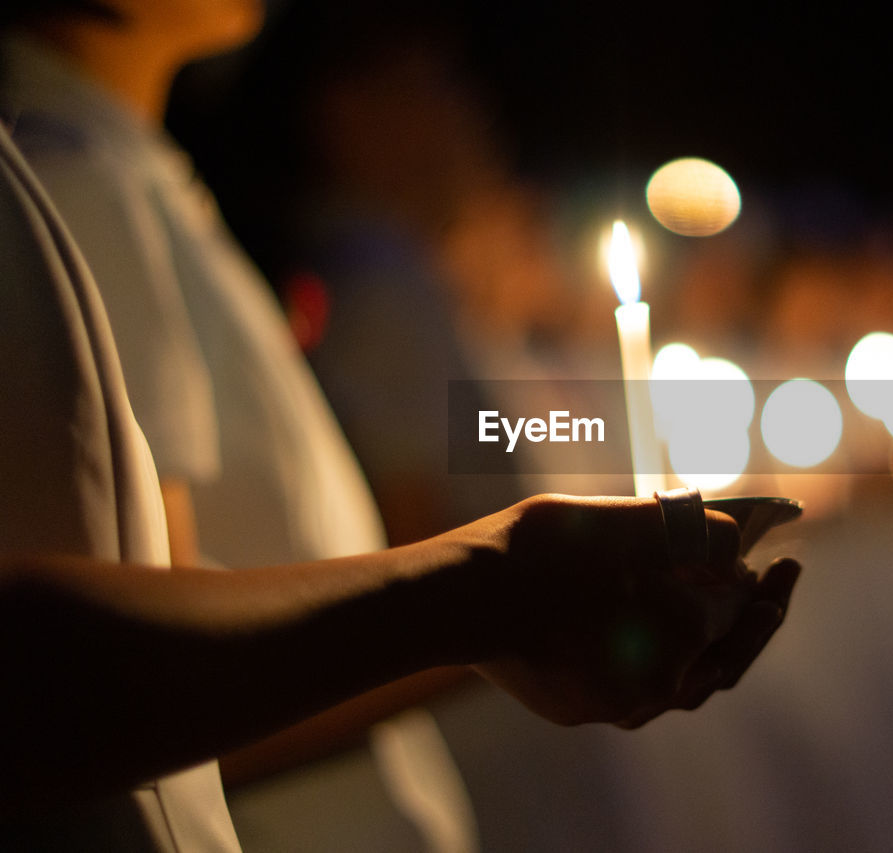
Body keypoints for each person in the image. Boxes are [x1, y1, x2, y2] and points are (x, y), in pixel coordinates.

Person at [0, 3, 801, 851]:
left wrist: (510, 599)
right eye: (438, 84)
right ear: (351, 108)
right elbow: (103, 673)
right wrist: (501, 597)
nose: (478, 114)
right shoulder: (76, 175)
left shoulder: (130, 175)